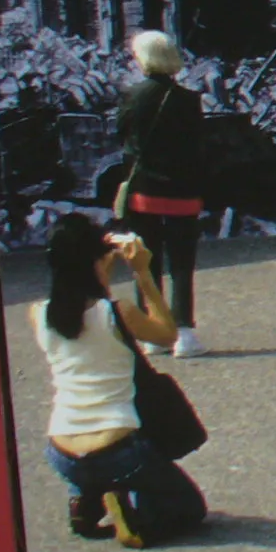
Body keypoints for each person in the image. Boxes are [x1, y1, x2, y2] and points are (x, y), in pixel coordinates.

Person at [30, 212, 207, 549]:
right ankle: (136, 521)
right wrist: (142, 272)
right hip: (117, 452)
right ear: (96, 259)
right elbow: (167, 334)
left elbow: (88, 314)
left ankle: (84, 498)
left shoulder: (39, 314)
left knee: (93, 466)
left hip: (62, 452)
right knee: (189, 508)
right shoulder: (118, 312)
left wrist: (98, 265)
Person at [115, 30, 207, 358]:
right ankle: (185, 334)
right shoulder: (189, 100)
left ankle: (154, 334)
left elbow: (121, 135)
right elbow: (198, 145)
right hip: (183, 190)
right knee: (182, 262)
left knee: (146, 262)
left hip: (145, 192)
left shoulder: (133, 96)